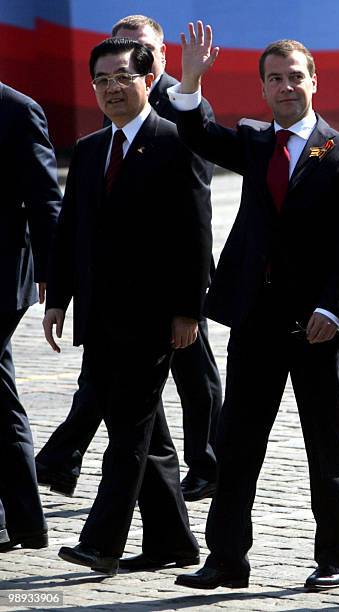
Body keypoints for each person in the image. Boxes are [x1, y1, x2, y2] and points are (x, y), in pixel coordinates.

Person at [168, 22, 339, 591]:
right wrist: (189, 78)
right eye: (275, 79)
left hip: (315, 326)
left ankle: (335, 557)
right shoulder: (255, 141)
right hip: (255, 320)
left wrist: (335, 309)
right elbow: (197, 131)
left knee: (326, 443)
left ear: (315, 82)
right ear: (262, 89)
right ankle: (226, 559)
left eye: (295, 77)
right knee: (236, 443)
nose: (286, 87)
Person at [35, 14, 221, 503]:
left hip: (168, 291)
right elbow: (79, 217)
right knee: (129, 406)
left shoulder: (180, 116)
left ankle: (197, 468)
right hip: (111, 299)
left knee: (186, 380)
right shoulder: (106, 123)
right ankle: (167, 534)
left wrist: (188, 305)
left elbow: (194, 226)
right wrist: (61, 291)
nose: (113, 86)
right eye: (103, 78)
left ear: (157, 59)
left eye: (135, 58)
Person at [0, 82, 61, 553]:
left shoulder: (19, 110)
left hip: (1, 279)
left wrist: (53, 273)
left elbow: (45, 197)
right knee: (1, 400)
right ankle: (23, 521)